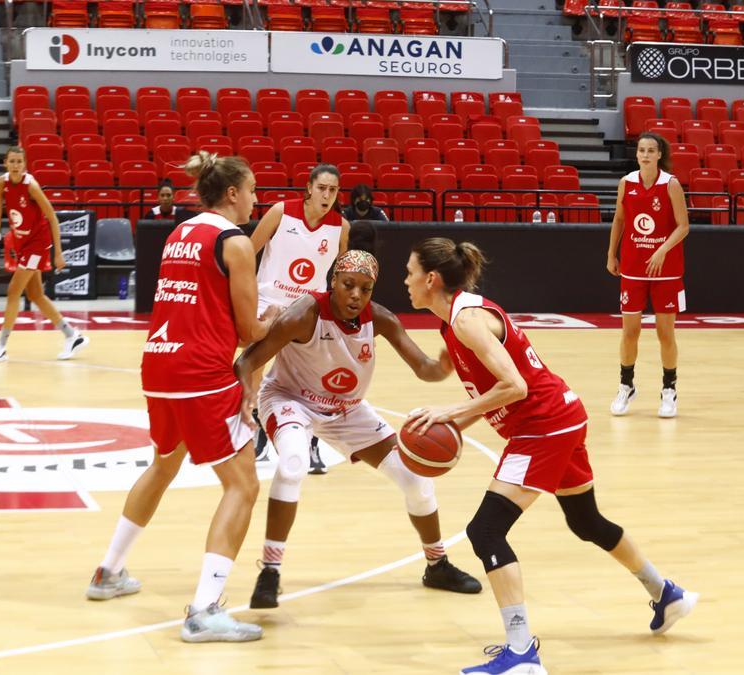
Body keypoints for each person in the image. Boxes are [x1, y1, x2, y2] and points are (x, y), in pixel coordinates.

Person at [403, 238, 698, 675]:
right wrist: (450, 426)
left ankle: (521, 653)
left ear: (431, 279)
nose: (404, 281)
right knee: (585, 521)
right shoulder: (453, 322)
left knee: (484, 532)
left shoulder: (467, 320)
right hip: (561, 416)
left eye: (409, 272)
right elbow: (479, 388)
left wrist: (450, 413)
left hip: (542, 427)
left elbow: (514, 387)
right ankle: (666, 592)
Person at [85, 151, 279, 644]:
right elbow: (248, 330)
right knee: (242, 486)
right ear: (232, 193)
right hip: (200, 373)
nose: (255, 199)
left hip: (158, 363)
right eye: (252, 190)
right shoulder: (233, 242)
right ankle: (205, 610)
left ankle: (109, 572)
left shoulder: (180, 232)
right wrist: (284, 315)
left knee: (164, 464)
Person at [233, 249, 481, 610]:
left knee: (417, 480)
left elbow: (425, 369)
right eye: (348, 285)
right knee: (292, 464)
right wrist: (246, 395)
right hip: (291, 399)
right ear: (332, 281)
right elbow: (248, 360)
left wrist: (446, 363)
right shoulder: (303, 315)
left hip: (347, 410)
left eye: (365, 289)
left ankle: (437, 564)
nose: (356, 295)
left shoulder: (379, 319)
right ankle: (270, 571)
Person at [249, 164, 350, 473]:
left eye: (333, 190)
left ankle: (312, 443)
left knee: (317, 379)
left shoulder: (341, 227)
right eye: (322, 188)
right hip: (268, 302)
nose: (327, 195)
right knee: (255, 369)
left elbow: (341, 275)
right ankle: (257, 432)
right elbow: (247, 251)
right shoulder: (281, 212)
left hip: (308, 309)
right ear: (308, 187)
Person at [605, 132, 690, 418]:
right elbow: (619, 219)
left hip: (666, 270)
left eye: (651, 150)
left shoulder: (671, 184)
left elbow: (683, 226)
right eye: (641, 150)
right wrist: (610, 254)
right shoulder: (626, 183)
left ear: (659, 155)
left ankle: (669, 389)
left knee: (665, 333)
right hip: (632, 267)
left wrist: (663, 249)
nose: (645, 155)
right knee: (630, 332)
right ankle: (626, 385)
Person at [0, 147, 88, 362]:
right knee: (36, 295)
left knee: (13, 291)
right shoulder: (0, 184)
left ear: (25, 164)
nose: (16, 165)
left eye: (20, 161)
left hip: (38, 244)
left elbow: (52, 217)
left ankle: (1, 346)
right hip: (23, 244)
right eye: (12, 161)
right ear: (5, 163)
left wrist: (59, 252)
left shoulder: (31, 186)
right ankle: (72, 335)